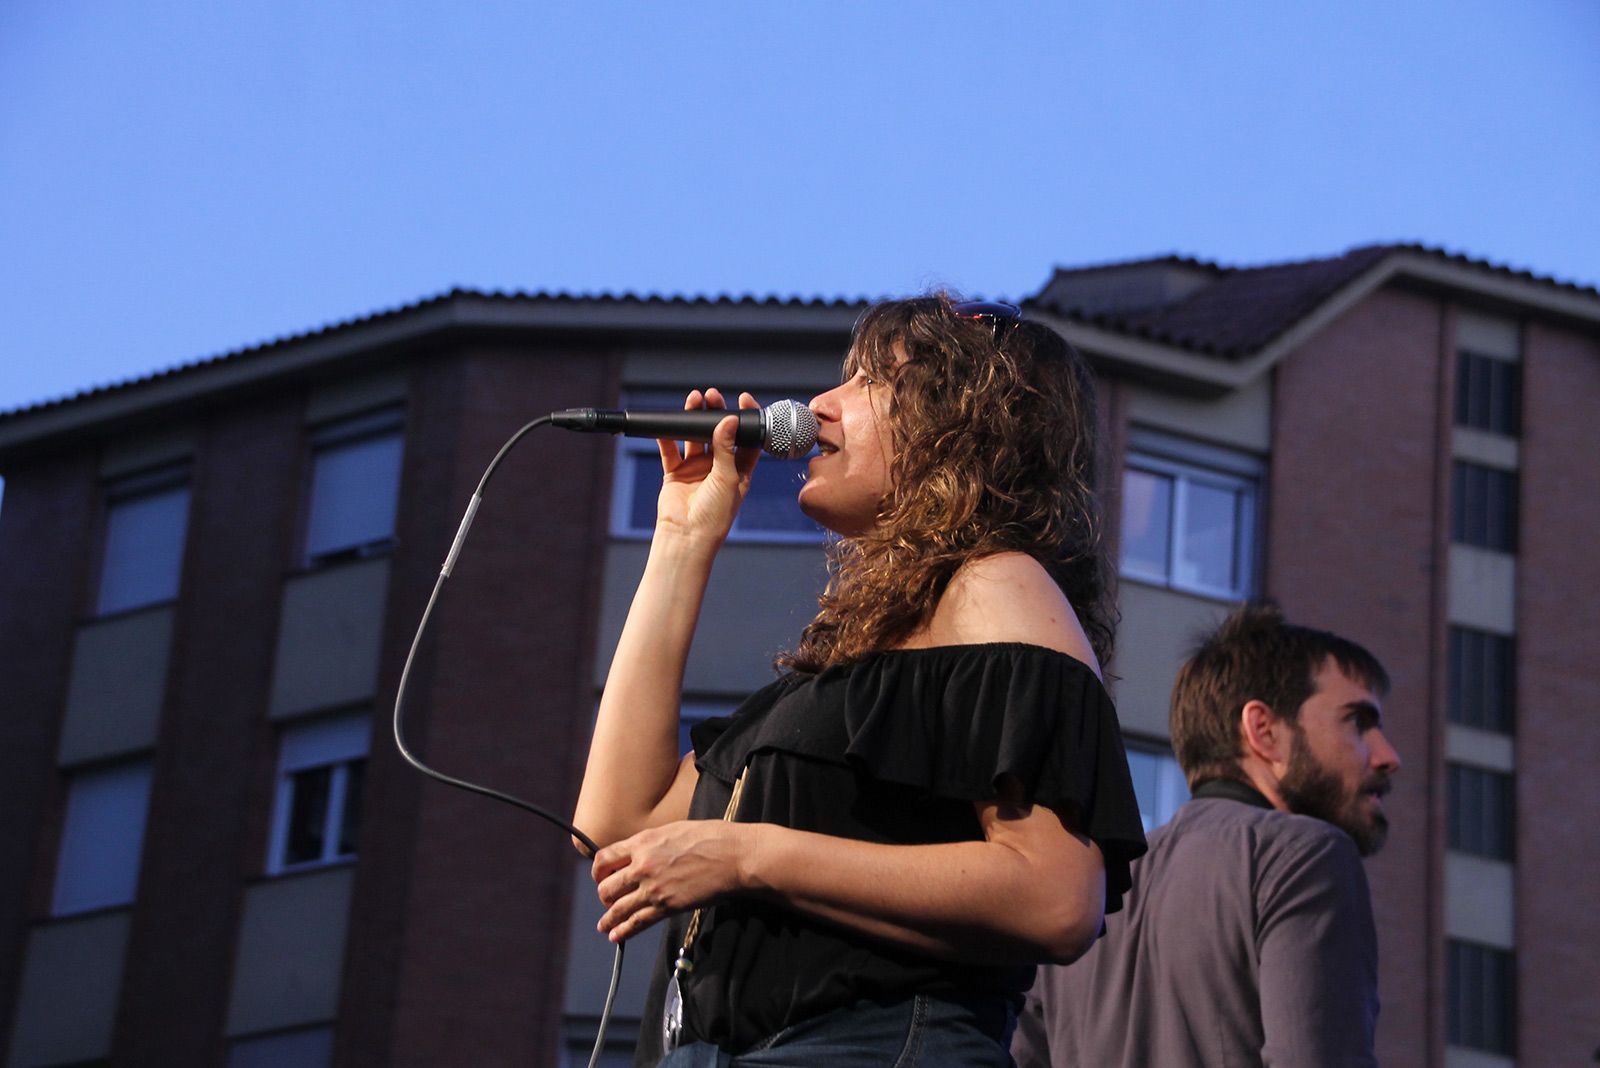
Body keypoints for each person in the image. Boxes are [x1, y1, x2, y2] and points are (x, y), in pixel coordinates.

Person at [572, 295, 1148, 1066]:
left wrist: (749, 856)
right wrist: (681, 539)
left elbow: (1055, 895)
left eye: (874, 380)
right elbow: (617, 828)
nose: (819, 405)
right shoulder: (837, 675)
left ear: (965, 426)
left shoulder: (997, 585)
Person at [1012, 600, 1402, 1068]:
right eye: (1358, 722)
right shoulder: (1309, 856)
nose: (1388, 756)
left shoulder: (1089, 888)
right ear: (1263, 730)